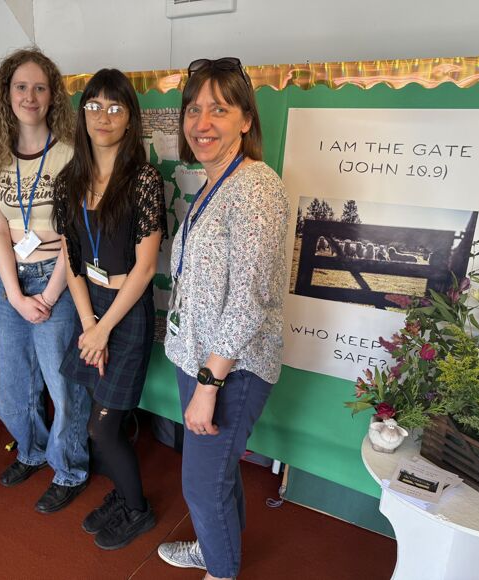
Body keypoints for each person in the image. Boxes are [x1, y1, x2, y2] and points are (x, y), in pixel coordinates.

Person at [158, 57, 289, 580]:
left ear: (246, 120)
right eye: (193, 109)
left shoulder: (256, 187)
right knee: (217, 477)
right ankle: (220, 554)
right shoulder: (214, 183)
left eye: (219, 109)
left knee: (201, 484)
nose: (202, 123)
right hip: (199, 358)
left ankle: (221, 571)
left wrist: (209, 384)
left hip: (230, 369)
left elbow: (249, 300)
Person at [53, 68, 167, 550]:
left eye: (115, 107)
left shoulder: (143, 180)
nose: (103, 116)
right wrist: (87, 323)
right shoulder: (70, 179)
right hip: (90, 306)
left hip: (126, 309)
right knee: (97, 417)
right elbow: (71, 259)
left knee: (102, 427)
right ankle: (123, 494)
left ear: (130, 118)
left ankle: (137, 510)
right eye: (94, 105)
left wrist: (103, 330)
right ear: (82, 113)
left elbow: (145, 268)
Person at [0, 47, 91, 514]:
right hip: (9, 283)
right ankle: (33, 449)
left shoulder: (70, 152)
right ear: (6, 93)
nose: (30, 96)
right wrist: (16, 296)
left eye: (40, 87)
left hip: (57, 279)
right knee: (9, 392)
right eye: (21, 86)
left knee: (64, 388)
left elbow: (76, 233)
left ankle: (70, 469)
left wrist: (47, 294)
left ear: (52, 96)